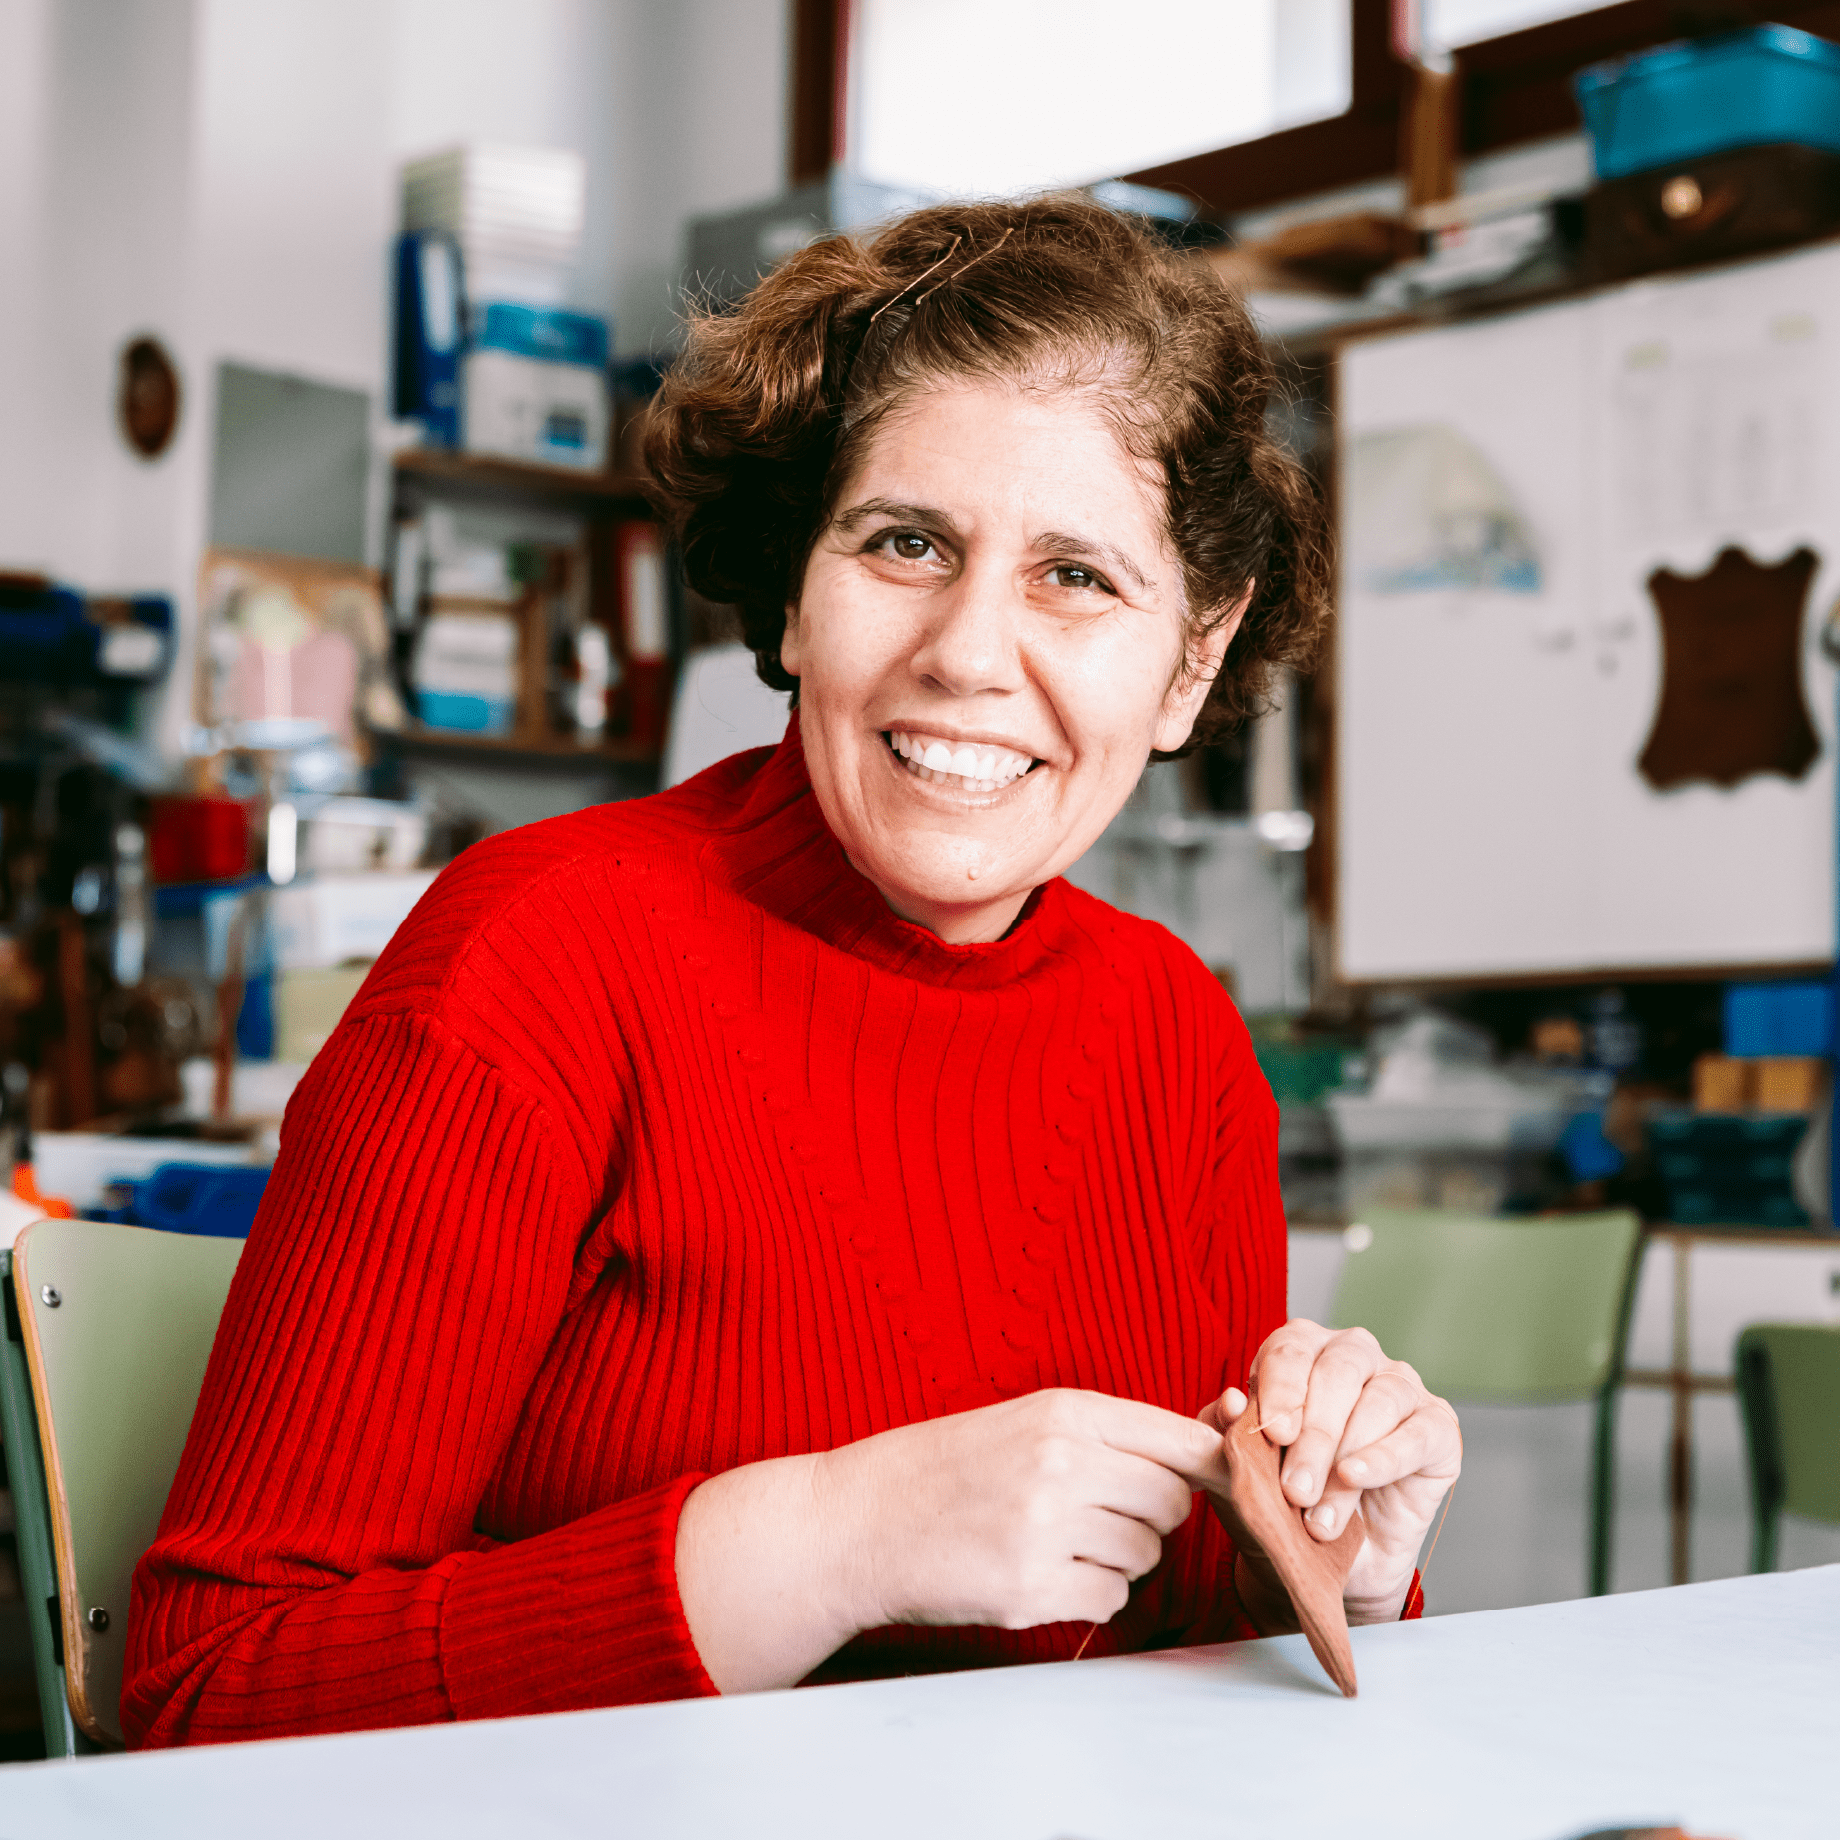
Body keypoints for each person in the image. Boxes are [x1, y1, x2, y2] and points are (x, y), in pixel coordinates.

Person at [124, 198, 1461, 1745]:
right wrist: (829, 1542)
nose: (967, 651)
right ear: (795, 586)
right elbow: (203, 1702)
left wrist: (1339, 1570)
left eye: (1078, 577)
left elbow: (1185, 1656)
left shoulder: (1177, 1035)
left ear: (1194, 662)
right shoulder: (536, 961)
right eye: (905, 543)